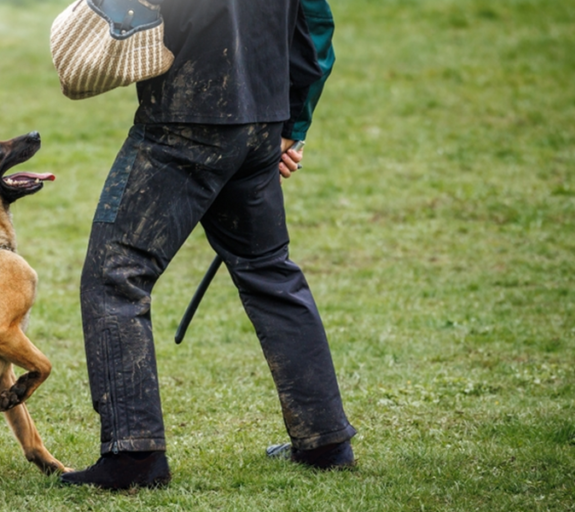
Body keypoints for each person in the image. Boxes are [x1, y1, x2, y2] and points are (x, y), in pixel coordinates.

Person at [59, 0, 356, 490]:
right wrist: (289, 124)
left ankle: (133, 458)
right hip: (262, 117)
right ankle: (325, 441)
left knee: (116, 274)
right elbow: (315, 23)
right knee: (269, 272)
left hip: (185, 120)